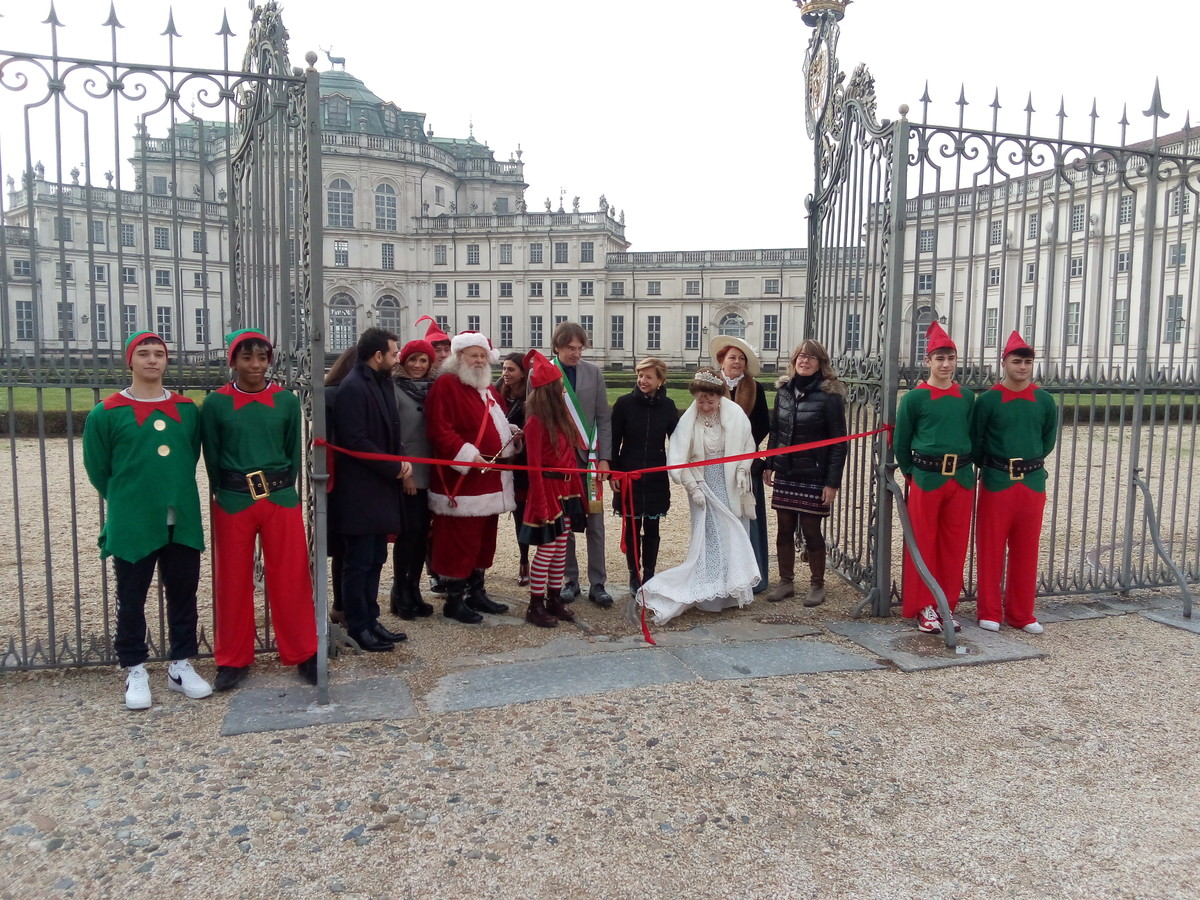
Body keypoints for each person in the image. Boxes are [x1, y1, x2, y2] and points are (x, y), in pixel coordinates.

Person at [82, 331, 212, 710]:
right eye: (144, 353)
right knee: (132, 597)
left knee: (184, 593)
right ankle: (134, 667)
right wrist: (131, 498)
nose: (152, 359)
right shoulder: (105, 413)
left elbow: (188, 457)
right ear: (131, 360)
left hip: (181, 518)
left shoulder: (187, 410)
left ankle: (181, 664)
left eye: (159, 353)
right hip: (133, 520)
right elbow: (99, 470)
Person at [199, 330, 318, 691]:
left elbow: (293, 451)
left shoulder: (285, 401)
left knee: (291, 576)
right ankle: (233, 659)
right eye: (247, 358)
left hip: (279, 497)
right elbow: (212, 455)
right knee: (232, 580)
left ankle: (303, 652)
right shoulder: (216, 403)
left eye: (262, 358)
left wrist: (283, 489)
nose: (255, 365)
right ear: (233, 361)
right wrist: (228, 489)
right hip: (234, 499)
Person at [637, 368, 758, 624]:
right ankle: (707, 591)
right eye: (700, 400)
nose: (704, 405)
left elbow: (749, 445)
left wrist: (742, 469)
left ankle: (730, 589)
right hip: (703, 483)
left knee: (733, 532)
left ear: (720, 397)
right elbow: (681, 459)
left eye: (710, 401)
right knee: (709, 538)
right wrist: (693, 487)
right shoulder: (689, 421)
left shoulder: (734, 414)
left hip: (730, 483)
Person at [328, 327, 413, 653]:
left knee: (376, 556)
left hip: (379, 489)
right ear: (377, 356)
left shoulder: (380, 382)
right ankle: (358, 624)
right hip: (360, 491)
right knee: (359, 561)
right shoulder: (353, 387)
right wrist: (394, 467)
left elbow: (390, 433)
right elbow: (356, 441)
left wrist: (401, 459)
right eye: (393, 353)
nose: (397, 358)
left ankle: (371, 619)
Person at [425, 331, 518, 623]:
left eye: (482, 355)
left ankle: (477, 591)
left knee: (484, 538)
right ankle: (454, 599)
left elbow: (498, 420)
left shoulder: (487, 388)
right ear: (459, 357)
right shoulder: (446, 385)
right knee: (459, 539)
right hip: (462, 480)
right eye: (472, 355)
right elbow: (439, 429)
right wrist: (466, 454)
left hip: (490, 476)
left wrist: (511, 435)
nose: (478, 360)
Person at [970, 331, 1058, 634]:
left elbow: (1048, 439)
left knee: (1027, 549)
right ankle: (990, 610)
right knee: (991, 547)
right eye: (1016, 361)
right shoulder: (989, 401)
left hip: (1032, 481)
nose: (1022, 366)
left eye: (1027, 362)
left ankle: (1021, 614)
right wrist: (994, 465)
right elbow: (975, 440)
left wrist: (1027, 461)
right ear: (1004, 363)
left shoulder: (1044, 400)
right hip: (997, 479)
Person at [893, 322, 975, 635]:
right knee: (922, 542)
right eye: (939, 358)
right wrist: (911, 473)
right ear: (928, 361)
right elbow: (902, 442)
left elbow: (973, 434)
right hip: (927, 476)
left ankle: (946, 605)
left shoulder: (967, 398)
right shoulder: (915, 398)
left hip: (961, 478)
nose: (945, 364)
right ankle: (923, 604)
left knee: (954, 545)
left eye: (950, 358)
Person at [764, 340, 848, 606]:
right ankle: (786, 581)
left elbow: (838, 443)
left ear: (820, 363)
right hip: (787, 471)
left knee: (811, 529)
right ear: (794, 360)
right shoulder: (784, 391)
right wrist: (769, 463)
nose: (805, 361)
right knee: (784, 528)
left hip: (814, 473)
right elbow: (776, 431)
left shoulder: (830, 396)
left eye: (812, 357)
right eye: (801, 356)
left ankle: (817, 584)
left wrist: (832, 483)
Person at [517, 350, 587, 627]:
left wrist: (579, 490)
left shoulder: (561, 420)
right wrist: (542, 502)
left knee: (560, 550)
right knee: (546, 550)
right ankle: (535, 604)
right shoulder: (535, 422)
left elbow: (570, 458)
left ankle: (553, 598)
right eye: (558, 387)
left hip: (566, 490)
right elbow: (533, 465)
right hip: (546, 490)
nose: (562, 391)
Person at [551, 322, 613, 607]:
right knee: (564, 524)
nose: (576, 354)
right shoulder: (544, 373)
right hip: (560, 463)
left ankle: (598, 582)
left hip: (589, 461)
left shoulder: (594, 373)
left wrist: (604, 458)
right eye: (570, 349)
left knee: (595, 524)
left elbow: (603, 417)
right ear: (557, 348)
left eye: (579, 348)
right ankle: (570, 580)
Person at [609, 357, 678, 593]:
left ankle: (649, 573)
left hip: (656, 476)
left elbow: (678, 440)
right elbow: (613, 442)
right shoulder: (623, 404)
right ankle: (633, 574)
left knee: (653, 527)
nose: (642, 380)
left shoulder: (668, 407)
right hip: (629, 473)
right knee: (631, 526)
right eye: (640, 375)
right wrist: (614, 474)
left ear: (660, 380)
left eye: (648, 376)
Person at [712, 335, 771, 594]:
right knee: (720, 517)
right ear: (721, 361)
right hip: (716, 459)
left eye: (741, 358)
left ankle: (753, 575)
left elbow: (762, 425)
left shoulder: (755, 388)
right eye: (732, 357)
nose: (737, 362)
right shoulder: (711, 385)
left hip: (746, 462)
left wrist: (741, 448)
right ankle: (722, 573)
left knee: (749, 515)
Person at [389, 339, 437, 620]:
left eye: (423, 361)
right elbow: (393, 434)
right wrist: (403, 471)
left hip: (431, 472)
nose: (418, 366)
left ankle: (414, 589)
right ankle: (399, 591)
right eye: (413, 360)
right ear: (403, 361)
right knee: (408, 534)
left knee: (422, 535)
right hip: (409, 473)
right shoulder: (394, 389)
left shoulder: (433, 388)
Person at [323, 346, 357, 626]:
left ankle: (344, 605)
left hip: (342, 479)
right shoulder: (336, 395)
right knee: (347, 549)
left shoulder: (333, 392)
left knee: (348, 549)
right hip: (344, 479)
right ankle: (342, 606)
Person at [494, 352, 531, 585]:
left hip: (523, 462)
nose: (505, 374)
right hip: (502, 461)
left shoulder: (532, 397)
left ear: (523, 373)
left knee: (523, 512)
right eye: (504, 369)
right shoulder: (498, 394)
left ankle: (525, 561)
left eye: (511, 370)